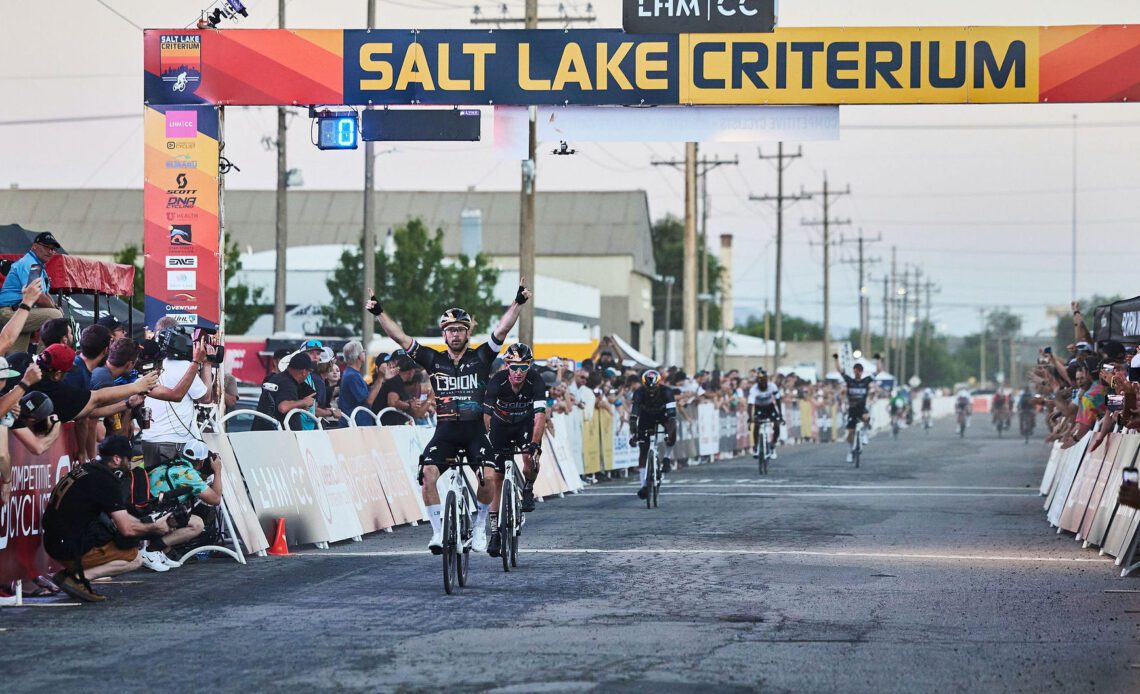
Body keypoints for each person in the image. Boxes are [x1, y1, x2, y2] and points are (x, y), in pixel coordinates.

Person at [367, 279, 530, 553]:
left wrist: (518, 303)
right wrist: (379, 312)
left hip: (474, 431)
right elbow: (400, 337)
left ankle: (479, 527)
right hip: (444, 432)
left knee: (489, 477)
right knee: (428, 474)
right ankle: (438, 532)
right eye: (450, 330)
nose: (455, 334)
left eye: (460, 330)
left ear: (468, 333)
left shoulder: (481, 357)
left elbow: (502, 329)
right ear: (444, 335)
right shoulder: (433, 359)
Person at [41, 435, 174, 602]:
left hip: (54, 541)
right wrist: (155, 528)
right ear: (117, 459)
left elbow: (122, 518)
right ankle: (76, 577)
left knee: (120, 538)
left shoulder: (86, 469)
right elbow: (126, 528)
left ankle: (69, 575)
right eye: (129, 458)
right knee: (134, 557)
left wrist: (147, 523)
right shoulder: (105, 480)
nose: (131, 463)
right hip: (68, 547)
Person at [483, 343, 546, 555]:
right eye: (514, 366)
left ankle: (528, 487)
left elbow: (539, 416)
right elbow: (486, 415)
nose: (518, 372)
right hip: (500, 427)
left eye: (523, 366)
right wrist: (483, 439)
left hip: (525, 426)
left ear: (529, 365)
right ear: (507, 365)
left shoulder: (536, 380)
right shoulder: (497, 381)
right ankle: (494, 533)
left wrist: (535, 444)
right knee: (496, 478)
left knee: (530, 459)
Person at [140, 325, 214, 470]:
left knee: (153, 488)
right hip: (173, 442)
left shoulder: (156, 365)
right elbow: (205, 398)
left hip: (149, 439)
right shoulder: (186, 367)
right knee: (173, 488)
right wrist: (207, 364)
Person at [30, 343, 157, 423]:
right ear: (57, 374)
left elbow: (91, 411)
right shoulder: (58, 390)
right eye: (67, 372)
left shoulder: (21, 360)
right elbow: (96, 398)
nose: (68, 376)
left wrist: (128, 404)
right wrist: (136, 386)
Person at [147, 439, 223, 564]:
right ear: (202, 462)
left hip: (146, 510)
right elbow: (215, 500)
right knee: (197, 524)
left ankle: (165, 552)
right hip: (153, 516)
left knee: (179, 512)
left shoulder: (169, 465)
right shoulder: (188, 474)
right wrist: (218, 471)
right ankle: (152, 549)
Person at [0, 232, 65, 352]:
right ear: (34, 246)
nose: (50, 251)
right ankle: (45, 362)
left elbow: (45, 294)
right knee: (55, 316)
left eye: (53, 249)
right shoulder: (30, 264)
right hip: (10, 311)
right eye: (46, 247)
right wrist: (56, 309)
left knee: (16, 358)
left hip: (20, 311)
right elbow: (38, 297)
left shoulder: (39, 267)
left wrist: (55, 306)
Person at [628, 369, 677, 500]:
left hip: (663, 414)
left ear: (659, 384)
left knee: (672, 428)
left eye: (653, 388)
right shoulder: (638, 393)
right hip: (646, 416)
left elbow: (672, 417)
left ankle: (666, 457)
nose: (650, 391)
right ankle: (644, 486)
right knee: (643, 451)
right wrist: (634, 435)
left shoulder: (667, 392)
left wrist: (668, 435)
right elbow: (633, 416)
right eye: (648, 388)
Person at [833, 353, 881, 463]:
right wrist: (836, 359)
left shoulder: (866, 381)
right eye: (856, 370)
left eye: (860, 370)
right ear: (854, 371)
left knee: (867, 418)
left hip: (862, 408)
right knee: (850, 433)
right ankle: (850, 451)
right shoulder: (850, 381)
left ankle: (864, 434)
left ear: (862, 371)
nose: (858, 372)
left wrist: (878, 360)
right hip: (852, 409)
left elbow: (878, 371)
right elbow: (840, 371)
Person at [252, 351, 317, 430]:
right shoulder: (287, 383)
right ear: (304, 372)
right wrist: (304, 402)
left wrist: (300, 406)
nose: (307, 375)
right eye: (308, 372)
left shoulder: (279, 378)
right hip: (280, 438)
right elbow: (283, 407)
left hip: (267, 434)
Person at [376, 352, 427, 425]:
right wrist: (409, 404)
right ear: (410, 371)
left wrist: (408, 402)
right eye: (414, 371)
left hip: (389, 424)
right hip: (386, 425)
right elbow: (392, 402)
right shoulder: (396, 380)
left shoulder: (398, 381)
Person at [338, 340, 381, 426]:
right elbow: (369, 401)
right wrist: (380, 378)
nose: (364, 353)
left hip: (356, 423)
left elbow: (369, 392)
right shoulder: (352, 376)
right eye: (363, 351)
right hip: (356, 424)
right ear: (358, 356)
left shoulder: (351, 373)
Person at [747, 369, 783, 460]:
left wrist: (780, 414)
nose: (762, 383)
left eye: (764, 381)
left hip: (770, 407)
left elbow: (778, 400)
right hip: (759, 408)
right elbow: (750, 405)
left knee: (777, 424)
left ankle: (773, 445)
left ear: (767, 380)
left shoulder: (772, 386)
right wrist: (750, 417)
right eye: (760, 381)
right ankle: (755, 446)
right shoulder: (754, 389)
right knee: (757, 424)